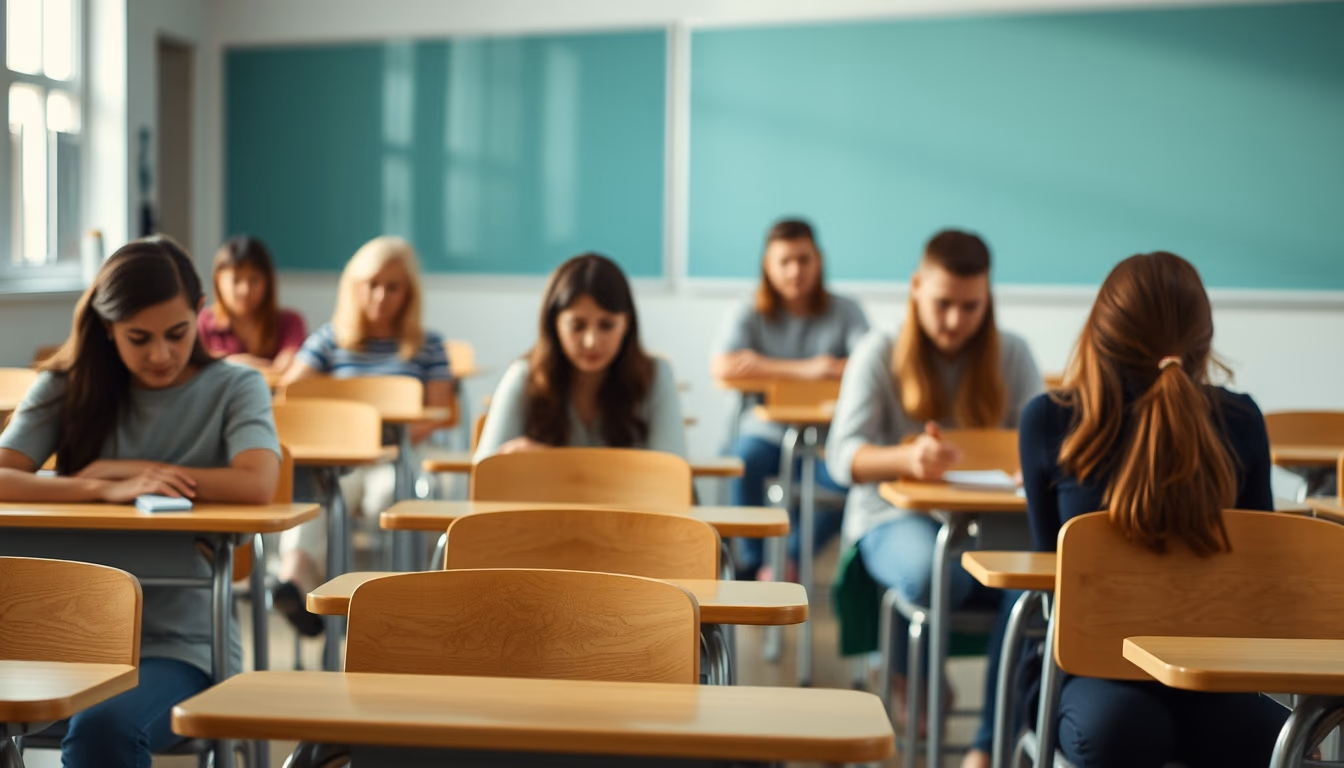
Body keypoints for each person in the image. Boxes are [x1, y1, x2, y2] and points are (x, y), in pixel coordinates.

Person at [0, 236, 281, 768]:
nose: (161, 355)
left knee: (102, 732)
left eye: (177, 334)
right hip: (54, 636)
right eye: (138, 338)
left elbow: (257, 483)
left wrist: (124, 470)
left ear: (200, 312)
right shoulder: (65, 385)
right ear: (108, 328)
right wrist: (97, 486)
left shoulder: (235, 386)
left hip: (177, 647)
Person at [1019, 251, 1286, 768]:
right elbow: (1257, 576)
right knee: (1271, 736)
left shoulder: (1050, 421)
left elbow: (1051, 575)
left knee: (1127, 730)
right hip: (1209, 677)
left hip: (1099, 681)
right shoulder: (1241, 419)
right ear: (1201, 338)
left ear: (1101, 332)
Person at [826, 229, 1041, 768]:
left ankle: (986, 745)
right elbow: (841, 457)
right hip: (893, 515)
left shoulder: (1013, 353)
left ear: (988, 299)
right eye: (943, 303)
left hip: (988, 525)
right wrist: (905, 458)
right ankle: (912, 672)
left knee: (1030, 589)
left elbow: (1039, 448)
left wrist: (1030, 464)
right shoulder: (878, 351)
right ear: (916, 287)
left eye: (971, 307)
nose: (954, 320)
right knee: (932, 573)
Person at [276, 235, 452, 634]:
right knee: (317, 496)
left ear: (409, 293)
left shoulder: (428, 345)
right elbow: (290, 396)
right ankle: (295, 581)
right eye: (372, 284)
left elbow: (438, 413)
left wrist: (378, 440)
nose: (381, 296)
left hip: (400, 456)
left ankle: (393, 602)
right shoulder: (329, 339)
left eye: (393, 287)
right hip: (343, 458)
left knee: (388, 497)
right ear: (355, 287)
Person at [712, 218, 868, 580]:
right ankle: (751, 567)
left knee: (851, 478)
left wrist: (761, 366)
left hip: (828, 438)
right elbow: (722, 366)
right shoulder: (749, 310)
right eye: (785, 261)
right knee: (741, 463)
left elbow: (869, 366)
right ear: (768, 265)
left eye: (804, 259)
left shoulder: (846, 310)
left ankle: (788, 562)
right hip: (765, 432)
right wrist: (814, 369)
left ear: (819, 261)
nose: (795, 271)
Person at [474, 252, 685, 460]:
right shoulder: (524, 376)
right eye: (577, 326)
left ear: (627, 324)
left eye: (607, 325)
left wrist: (549, 461)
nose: (591, 341)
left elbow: (672, 473)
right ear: (554, 324)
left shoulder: (656, 375)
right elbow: (484, 471)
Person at [198, 235, 307, 375]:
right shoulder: (202, 324)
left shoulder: (290, 322)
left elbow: (289, 367)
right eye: (236, 280)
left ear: (268, 282)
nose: (245, 290)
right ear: (218, 280)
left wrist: (227, 364)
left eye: (254, 280)